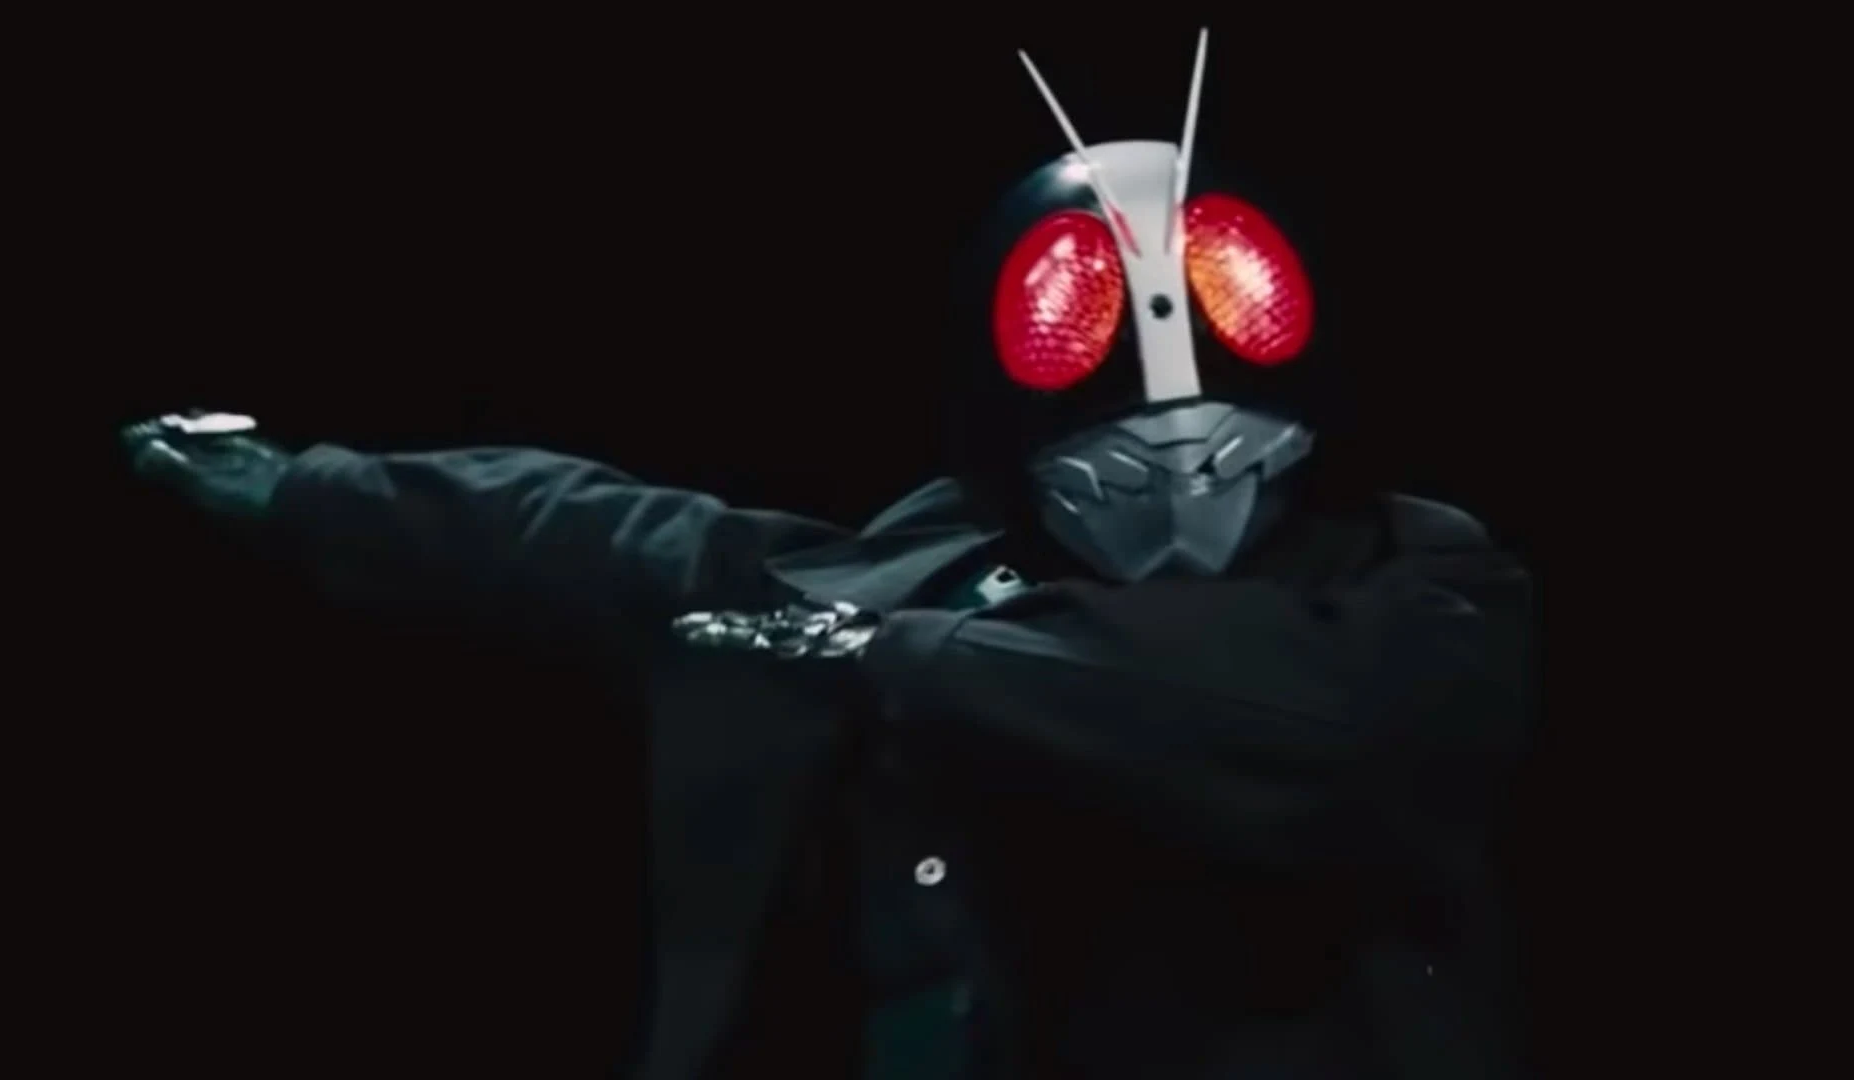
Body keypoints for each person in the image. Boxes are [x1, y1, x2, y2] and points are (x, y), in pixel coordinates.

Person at [121, 31, 1532, 1079]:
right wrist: (307, 488)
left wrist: (903, 656)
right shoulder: (927, 569)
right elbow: (603, 535)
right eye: (1113, 456)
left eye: (1225, 448)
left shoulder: (1415, 587)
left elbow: (1299, 720)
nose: (1175, 483)